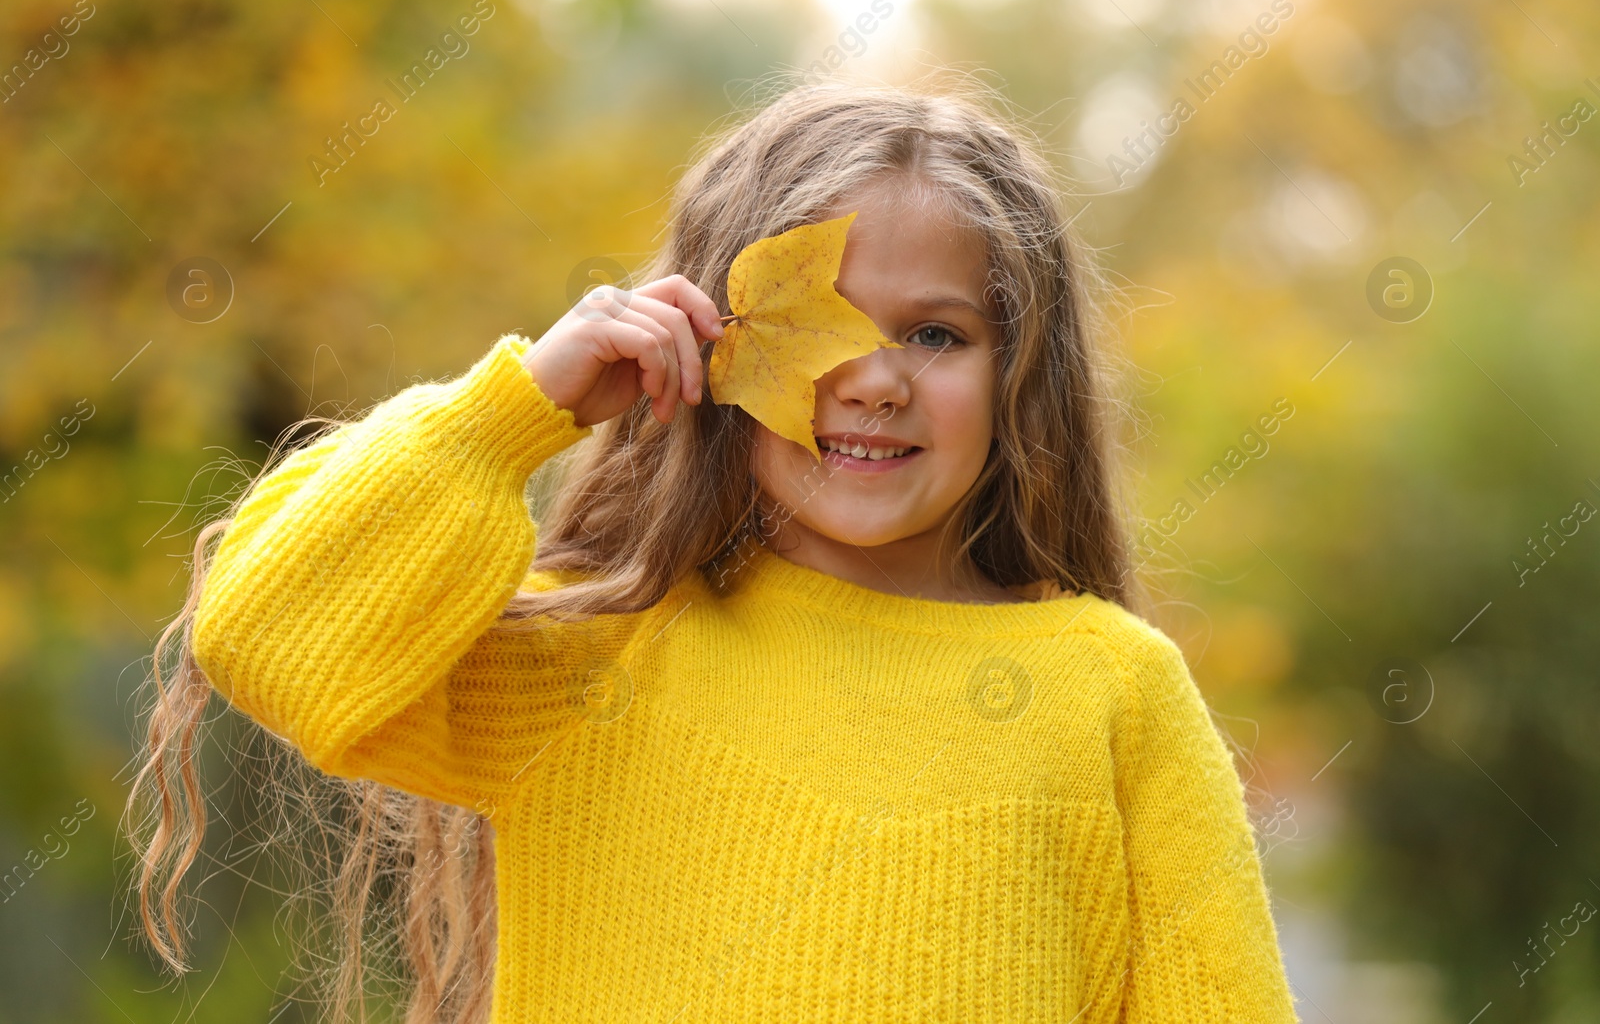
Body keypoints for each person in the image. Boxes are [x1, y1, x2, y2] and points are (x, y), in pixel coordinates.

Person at [125, 78, 1298, 1022]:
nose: (874, 378)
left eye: (934, 333)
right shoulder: (593, 653)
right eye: (812, 326)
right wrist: (513, 411)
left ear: (1020, 376)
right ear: (707, 347)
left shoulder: (1111, 689)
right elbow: (260, 628)